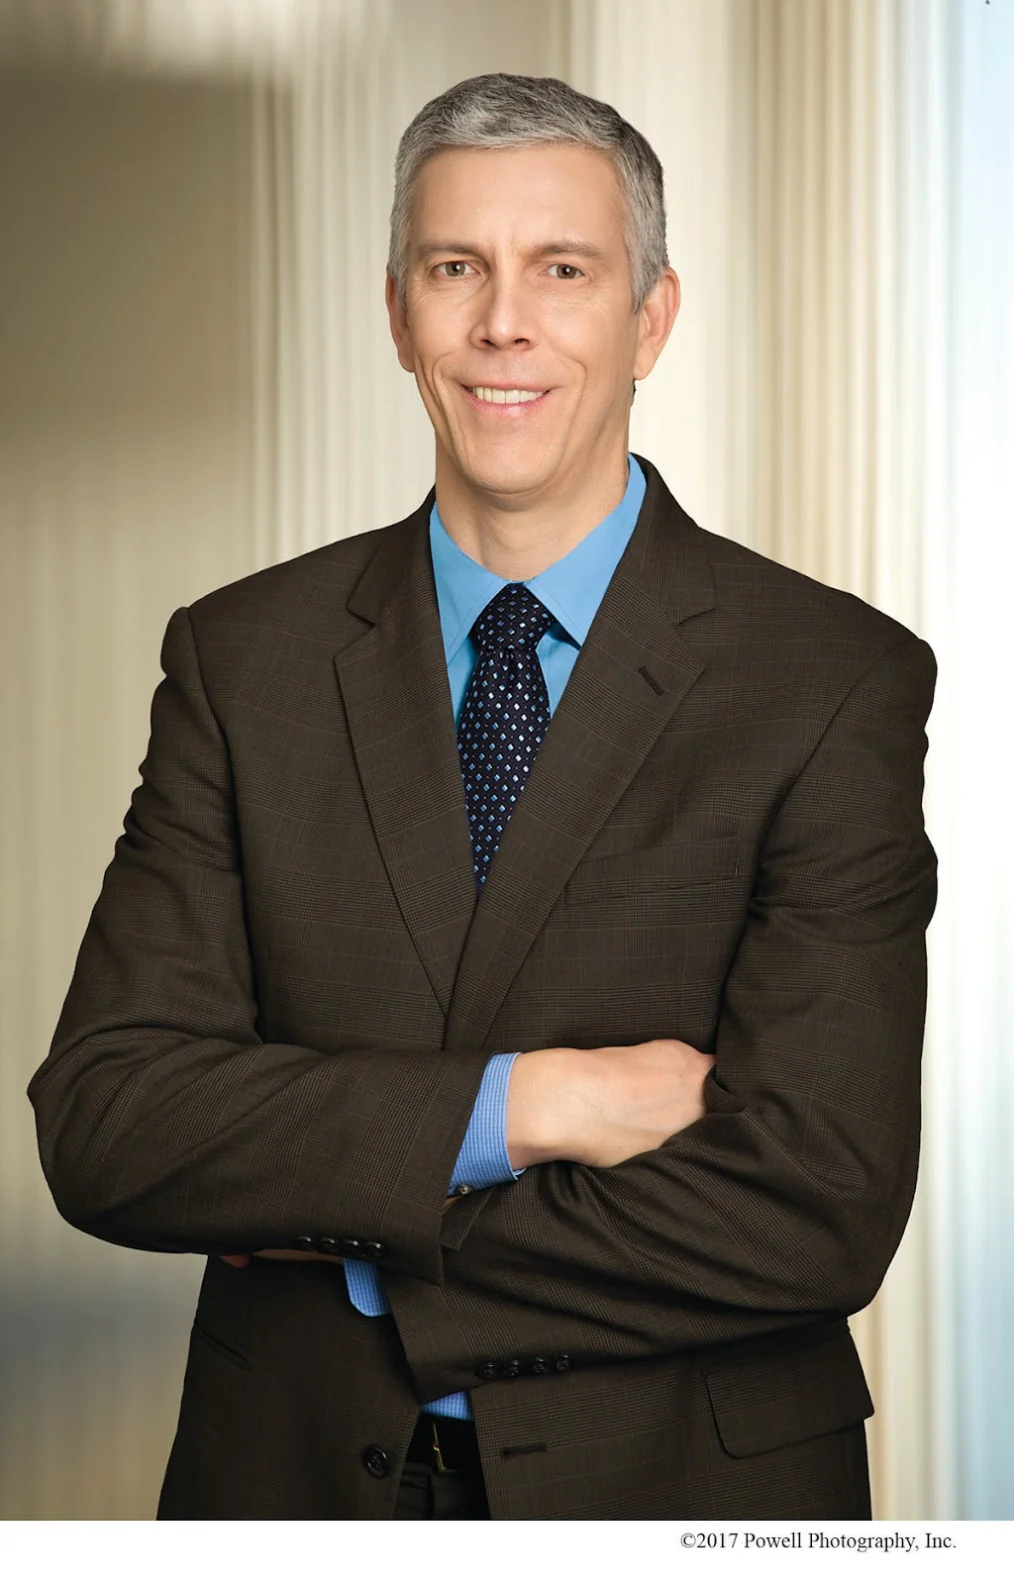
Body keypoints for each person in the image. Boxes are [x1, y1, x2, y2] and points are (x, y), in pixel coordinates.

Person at [28, 72, 936, 1522]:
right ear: (398, 311)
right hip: (289, 1489)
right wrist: (535, 1104)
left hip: (678, 1493)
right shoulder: (241, 659)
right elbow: (111, 1123)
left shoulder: (827, 679)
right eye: (458, 268)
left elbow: (814, 1206)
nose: (502, 321)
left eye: (561, 271)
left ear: (649, 318)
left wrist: (352, 1233)